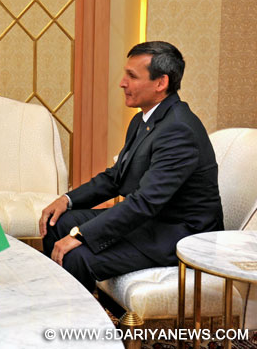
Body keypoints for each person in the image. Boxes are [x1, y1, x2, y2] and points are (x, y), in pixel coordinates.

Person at [39, 41, 223, 292]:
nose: (122, 83)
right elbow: (117, 177)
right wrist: (67, 199)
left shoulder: (179, 129)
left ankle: (79, 324)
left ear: (161, 83)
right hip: (151, 221)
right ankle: (55, 304)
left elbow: (145, 202)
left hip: (179, 234)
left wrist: (80, 235)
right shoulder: (143, 119)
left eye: (132, 76)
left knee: (76, 256)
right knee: (57, 221)